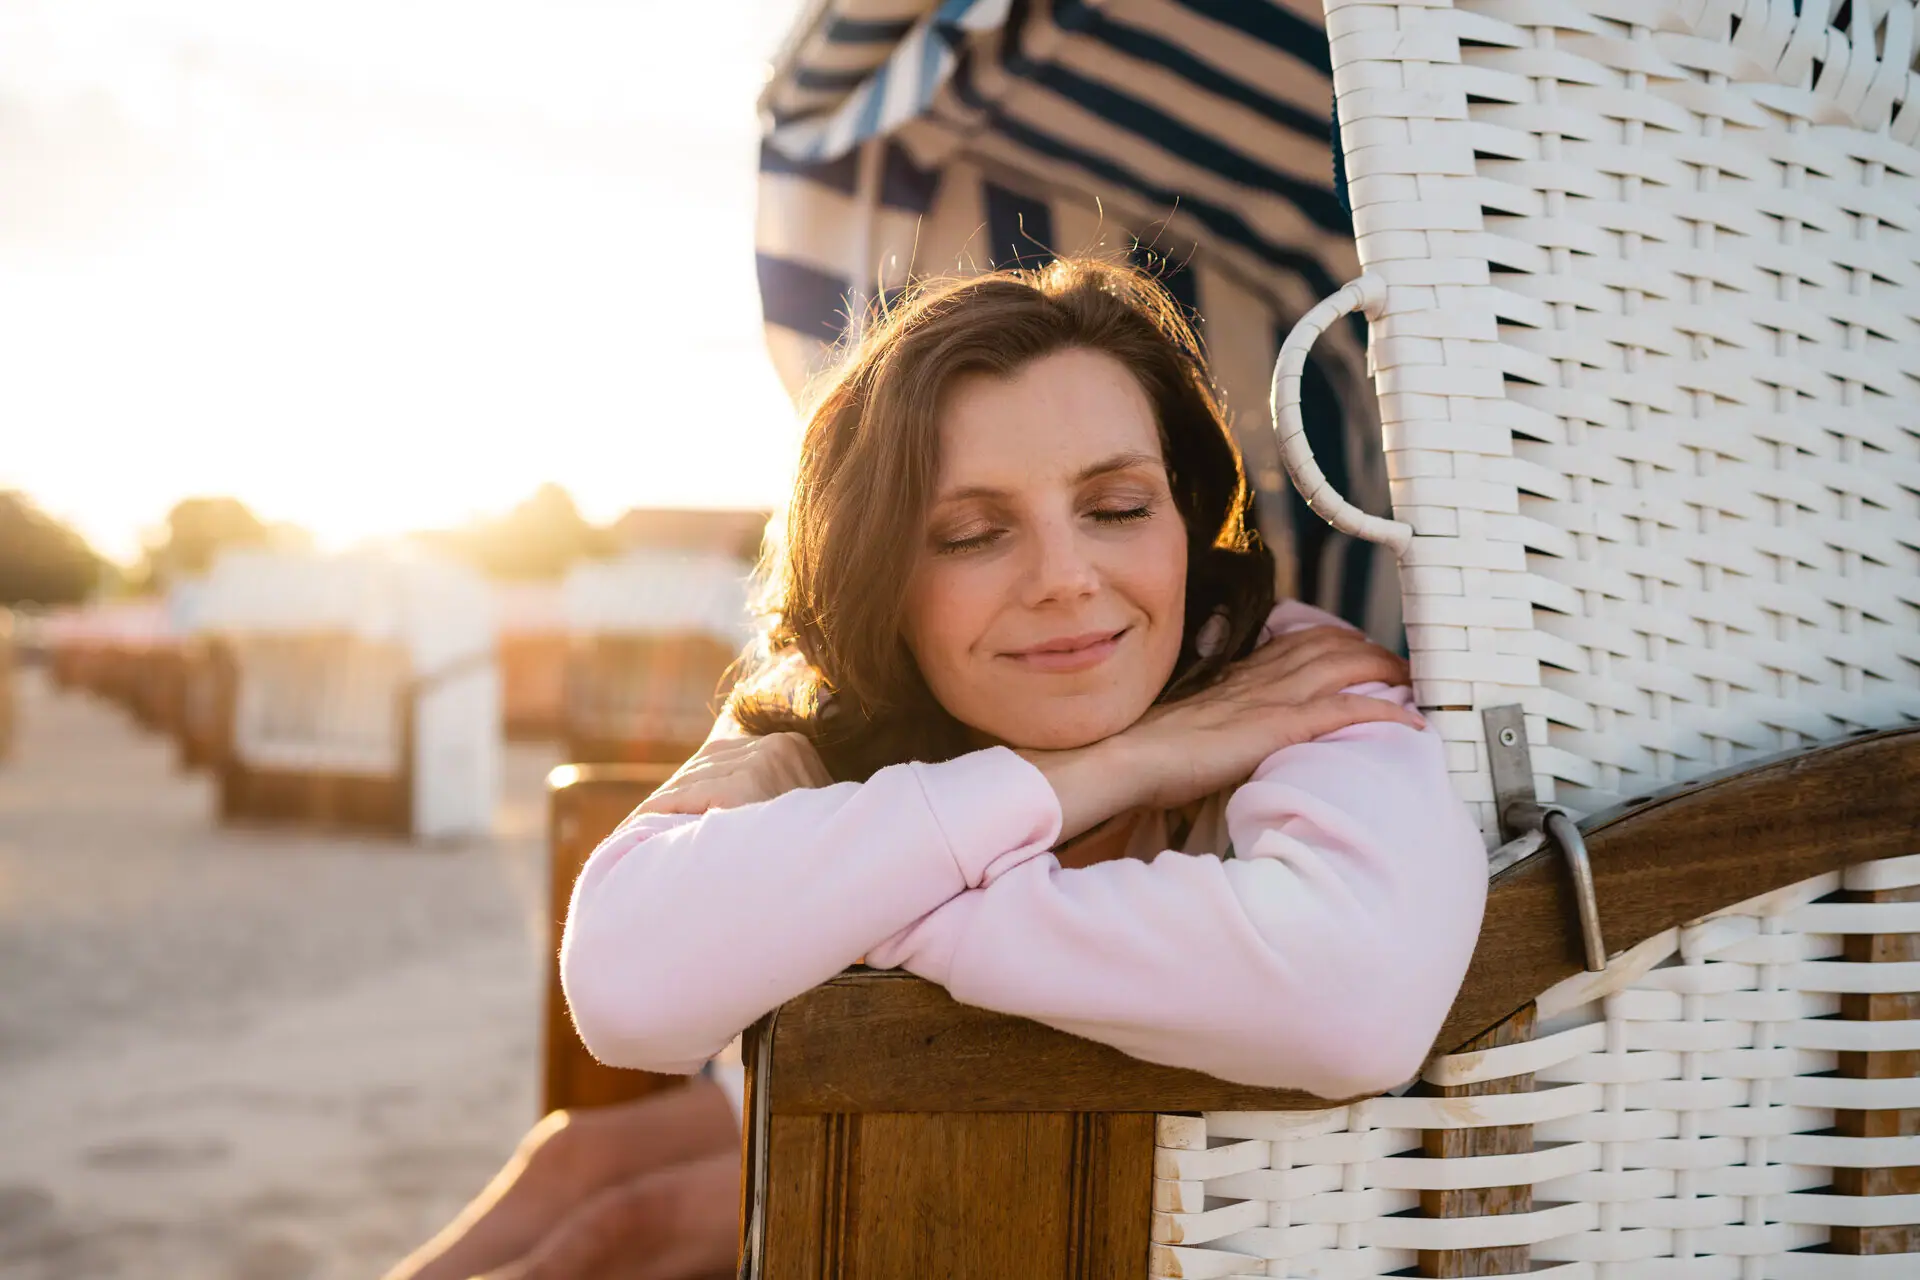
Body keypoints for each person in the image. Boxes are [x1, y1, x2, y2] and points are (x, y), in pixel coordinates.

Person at [386, 257, 1486, 1280]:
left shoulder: (1299, 690)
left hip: (1047, 1192)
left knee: (614, 1226)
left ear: (1188, 522)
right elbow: (628, 984)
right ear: (882, 579)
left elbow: (1356, 999)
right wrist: (1113, 767)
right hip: (863, 1116)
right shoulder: (823, 704)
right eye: (971, 532)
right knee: (573, 1159)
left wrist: (863, 903)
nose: (1067, 577)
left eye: (1116, 508)